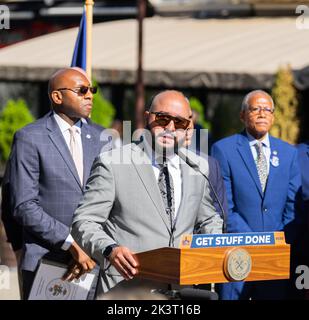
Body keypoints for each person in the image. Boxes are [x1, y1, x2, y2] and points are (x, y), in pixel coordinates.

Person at [71, 90, 224, 296]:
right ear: (147, 117)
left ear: (188, 127)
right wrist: (110, 249)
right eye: (162, 118)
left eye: (179, 123)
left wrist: (214, 245)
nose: (169, 128)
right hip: (126, 288)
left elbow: (208, 219)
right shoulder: (113, 162)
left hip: (181, 288)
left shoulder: (197, 167)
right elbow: (84, 221)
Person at [7, 67, 110, 299]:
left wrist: (94, 248)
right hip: (47, 260)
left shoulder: (104, 138)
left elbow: (113, 200)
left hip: (93, 263)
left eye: (91, 90)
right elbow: (23, 206)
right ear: (57, 96)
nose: (90, 96)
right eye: (82, 90)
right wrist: (71, 244)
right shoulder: (30, 137)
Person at [211, 90, 301, 300]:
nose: (262, 114)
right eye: (255, 109)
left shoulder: (289, 153)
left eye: (267, 109)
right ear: (243, 115)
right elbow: (224, 206)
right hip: (237, 257)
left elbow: (293, 206)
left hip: (275, 259)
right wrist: (255, 241)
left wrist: (276, 242)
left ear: (273, 116)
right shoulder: (224, 150)